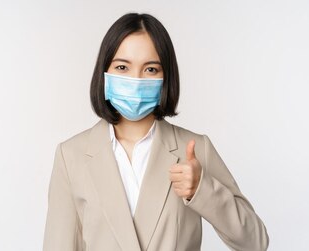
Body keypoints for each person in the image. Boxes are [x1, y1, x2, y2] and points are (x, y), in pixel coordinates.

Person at [42, 13, 269, 251]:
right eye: (122, 67)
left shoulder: (194, 148)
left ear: (165, 77)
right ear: (104, 74)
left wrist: (202, 189)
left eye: (150, 69)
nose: (136, 80)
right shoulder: (71, 156)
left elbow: (255, 242)